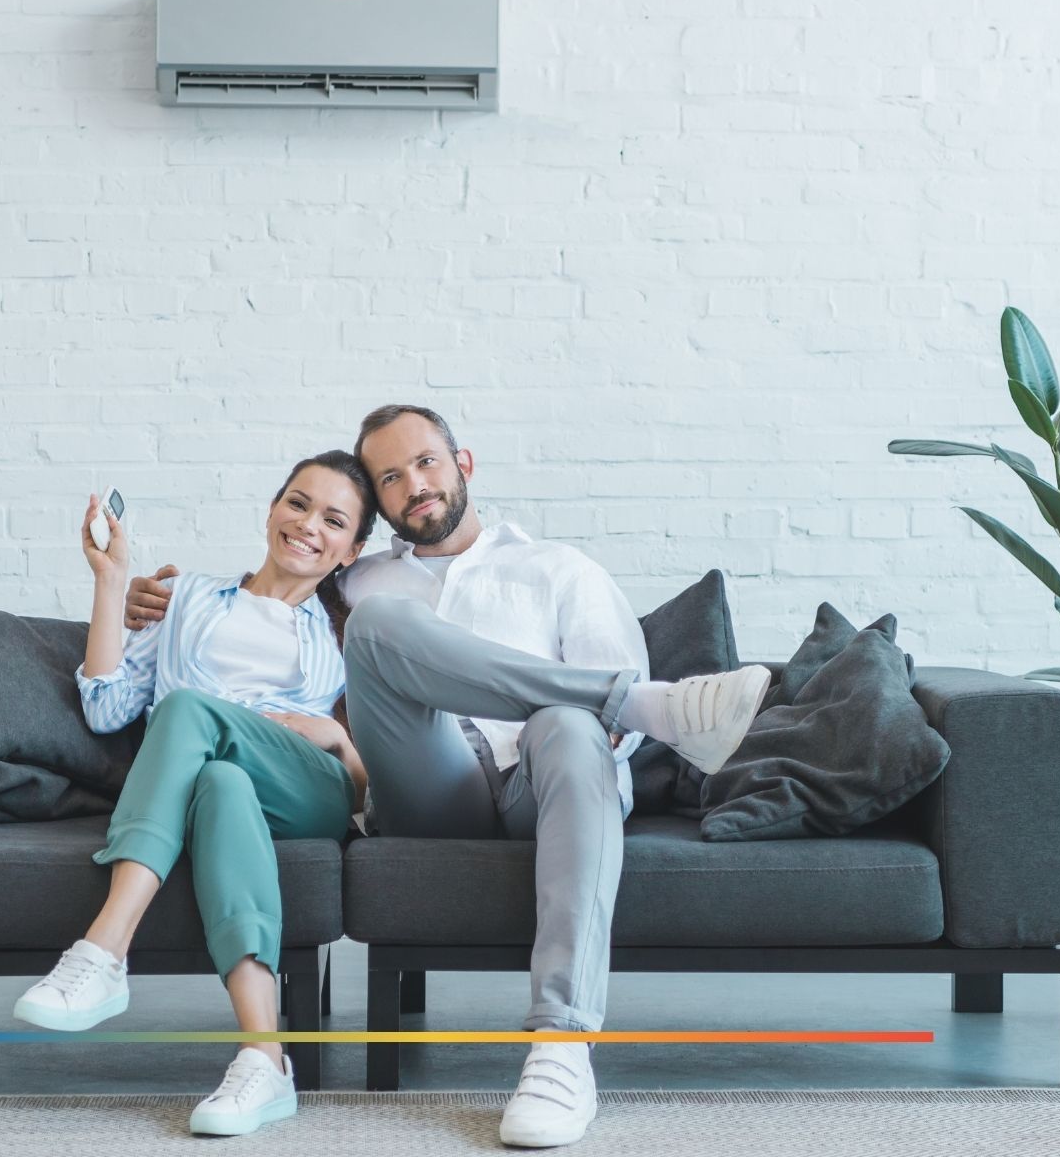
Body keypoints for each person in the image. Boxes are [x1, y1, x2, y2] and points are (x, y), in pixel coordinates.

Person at [126, 405, 770, 1148]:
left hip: (544, 782)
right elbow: (273, 605)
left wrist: (589, 715)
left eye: (427, 463)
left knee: (569, 722)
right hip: (428, 787)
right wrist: (157, 603)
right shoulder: (360, 581)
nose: (414, 486)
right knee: (379, 625)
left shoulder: (558, 568)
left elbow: (609, 745)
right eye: (390, 477)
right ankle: (643, 702)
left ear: (464, 466)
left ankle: (561, 1050)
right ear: (377, 506)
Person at [11, 451, 378, 1138]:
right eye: (297, 503)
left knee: (186, 711)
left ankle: (104, 948)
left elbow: (375, 783)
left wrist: (333, 733)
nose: (307, 525)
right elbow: (107, 706)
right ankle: (265, 1059)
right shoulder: (187, 597)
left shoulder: (350, 634)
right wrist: (112, 583)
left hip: (310, 785)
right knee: (218, 779)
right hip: (222, 779)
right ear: (272, 509)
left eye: (333, 520)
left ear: (352, 549)